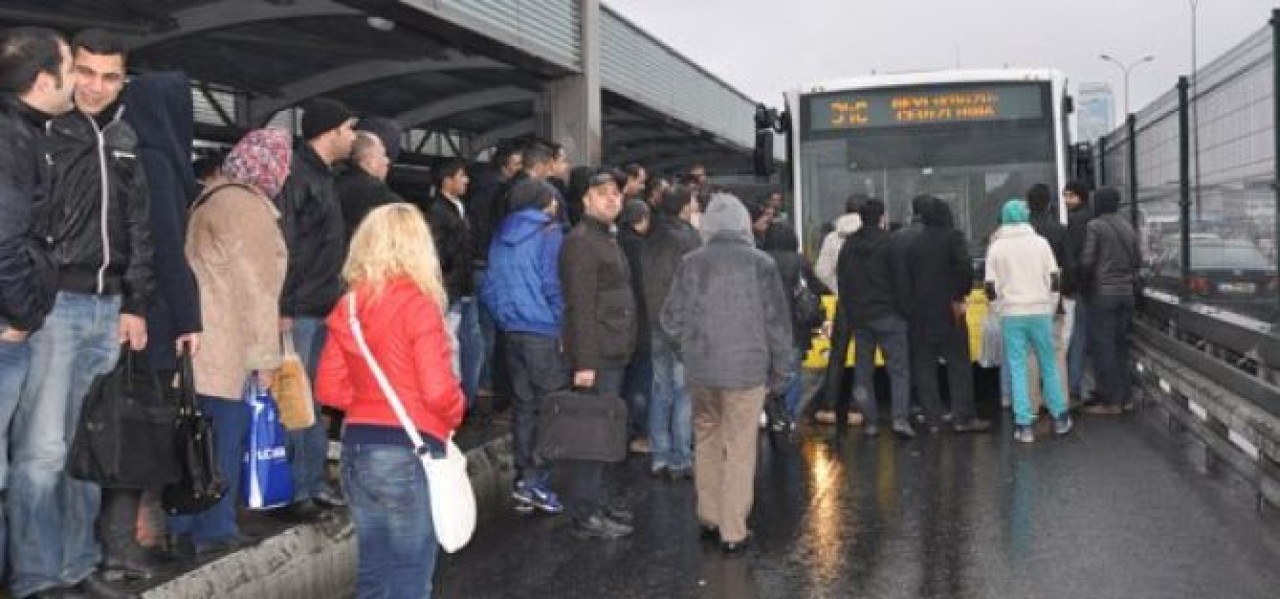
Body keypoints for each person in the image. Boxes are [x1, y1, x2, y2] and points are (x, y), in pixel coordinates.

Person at [8, 28, 155, 598]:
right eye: (86, 72)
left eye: (110, 75)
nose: (96, 86)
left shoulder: (124, 136)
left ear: (124, 80)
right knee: (41, 451)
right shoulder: (41, 130)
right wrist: (27, 299)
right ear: (68, 73)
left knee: (91, 446)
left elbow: (140, 229)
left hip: (108, 309)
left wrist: (135, 302)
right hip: (54, 309)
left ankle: (77, 563)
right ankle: (37, 576)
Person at [315, 203, 464, 599]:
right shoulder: (420, 306)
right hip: (409, 449)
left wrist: (369, 401)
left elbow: (328, 388)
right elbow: (437, 390)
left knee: (375, 573)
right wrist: (455, 410)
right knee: (409, 576)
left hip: (357, 446)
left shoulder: (346, 307)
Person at [169, 128, 291, 558]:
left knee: (193, 438)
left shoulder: (211, 198)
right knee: (221, 438)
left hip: (198, 341)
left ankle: (181, 526)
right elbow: (258, 288)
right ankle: (216, 531)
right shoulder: (247, 208)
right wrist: (265, 356)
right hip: (227, 344)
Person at [660, 194, 792, 554]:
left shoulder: (691, 263)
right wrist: (781, 370)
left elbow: (670, 320)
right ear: (743, 224)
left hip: (701, 370)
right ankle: (733, 530)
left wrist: (687, 351)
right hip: (746, 372)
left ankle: (709, 515)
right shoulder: (761, 264)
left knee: (705, 440)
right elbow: (776, 324)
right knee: (739, 446)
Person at [118, 69, 204, 578]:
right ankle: (131, 541)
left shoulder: (129, 151)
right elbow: (168, 248)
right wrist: (189, 318)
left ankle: (120, 540)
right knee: (142, 429)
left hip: (130, 309)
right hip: (153, 317)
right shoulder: (158, 161)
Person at [0, 25, 76, 596]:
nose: (77, 81)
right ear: (45, 80)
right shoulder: (12, 139)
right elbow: (5, 238)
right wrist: (22, 314)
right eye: (73, 69)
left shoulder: (24, 132)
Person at [277, 97, 357, 517]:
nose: (353, 136)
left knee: (315, 397)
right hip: (301, 308)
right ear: (329, 132)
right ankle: (296, 490)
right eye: (349, 128)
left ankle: (311, 482)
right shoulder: (297, 175)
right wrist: (284, 304)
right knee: (297, 398)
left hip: (322, 304)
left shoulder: (323, 176)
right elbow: (287, 245)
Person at [480, 179, 567, 516]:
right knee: (551, 408)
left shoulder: (500, 235)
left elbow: (488, 284)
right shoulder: (549, 233)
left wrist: (504, 316)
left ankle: (523, 480)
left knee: (524, 406)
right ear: (545, 202)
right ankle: (539, 482)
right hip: (543, 330)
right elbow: (551, 283)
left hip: (512, 329)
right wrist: (562, 322)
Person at [559, 167, 636, 540]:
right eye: (603, 192)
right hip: (598, 355)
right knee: (591, 435)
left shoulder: (606, 237)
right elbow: (581, 306)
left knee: (604, 432)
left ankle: (596, 502)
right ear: (586, 199)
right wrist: (585, 363)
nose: (612, 198)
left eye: (617, 193)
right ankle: (585, 512)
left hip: (612, 349)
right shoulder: (582, 241)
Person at [985, 199, 1073, 443]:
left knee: (1018, 367)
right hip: (1040, 311)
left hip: (1012, 314)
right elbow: (1054, 278)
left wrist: (998, 309)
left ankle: (1024, 424)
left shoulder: (997, 247)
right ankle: (1060, 417)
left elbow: (990, 287)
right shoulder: (1041, 243)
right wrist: (1050, 303)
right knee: (1048, 364)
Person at [903, 198, 990, 434]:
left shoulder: (913, 244)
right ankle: (963, 417)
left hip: (920, 314)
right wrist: (960, 295)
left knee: (924, 366)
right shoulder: (953, 238)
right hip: (949, 310)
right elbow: (964, 269)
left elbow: (906, 280)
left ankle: (933, 419)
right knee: (958, 364)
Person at [836, 200, 913, 438]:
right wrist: (903, 311)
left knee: (863, 370)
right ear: (882, 217)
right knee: (898, 369)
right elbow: (901, 280)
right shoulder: (890, 243)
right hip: (889, 315)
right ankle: (900, 419)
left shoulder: (849, 245)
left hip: (861, 317)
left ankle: (870, 421)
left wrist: (850, 311)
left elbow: (843, 281)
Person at [641, 185, 701, 478]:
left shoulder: (650, 236)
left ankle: (660, 455)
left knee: (660, 390)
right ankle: (682, 457)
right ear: (683, 208)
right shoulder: (688, 238)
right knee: (684, 392)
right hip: (681, 326)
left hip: (654, 323)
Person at [428, 158, 484, 416]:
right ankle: (457, 403)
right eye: (461, 175)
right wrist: (449, 282)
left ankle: (465, 399)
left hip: (463, 289)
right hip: (452, 290)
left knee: (469, 344)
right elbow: (439, 254)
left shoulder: (459, 208)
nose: (467, 180)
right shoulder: (437, 213)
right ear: (446, 180)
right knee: (453, 347)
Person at [1080, 187, 1142, 415]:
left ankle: (1109, 401)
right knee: (1120, 346)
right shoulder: (1128, 226)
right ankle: (1125, 397)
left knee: (1103, 347)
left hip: (1103, 294)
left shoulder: (1095, 226)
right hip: (1126, 294)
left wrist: (1084, 287)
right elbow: (1137, 260)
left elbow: (1087, 260)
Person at [763, 225, 822, 429]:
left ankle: (769, 411)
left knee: (767, 370)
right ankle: (789, 413)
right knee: (793, 371)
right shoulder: (799, 261)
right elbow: (816, 286)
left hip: (766, 325)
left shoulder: (760, 260)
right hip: (794, 325)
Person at [1025, 183, 1075, 416]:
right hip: (1053, 298)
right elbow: (1070, 265)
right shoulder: (1060, 231)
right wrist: (1066, 293)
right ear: (1048, 204)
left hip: (1026, 299)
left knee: (1031, 352)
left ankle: (1032, 402)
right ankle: (1058, 401)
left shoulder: (1022, 233)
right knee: (1056, 350)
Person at [813, 196, 862, 426]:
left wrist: (838, 288)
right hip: (868, 304)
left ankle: (829, 407)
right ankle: (857, 408)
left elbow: (822, 270)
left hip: (844, 303)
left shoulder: (833, 238)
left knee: (837, 354)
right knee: (864, 354)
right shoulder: (872, 237)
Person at [617, 199, 652, 453]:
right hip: (641, 323)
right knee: (641, 381)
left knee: (626, 379)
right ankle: (639, 431)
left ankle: (624, 430)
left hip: (619, 322)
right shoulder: (641, 248)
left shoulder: (615, 243)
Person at [336, 130, 401, 241]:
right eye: (383, 154)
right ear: (370, 159)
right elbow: (406, 218)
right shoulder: (375, 191)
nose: (387, 161)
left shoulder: (335, 183)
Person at [1062, 180, 1092, 405]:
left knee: (1078, 337)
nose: (1066, 200)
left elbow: (1073, 258)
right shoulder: (1092, 218)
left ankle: (1072, 385)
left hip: (1082, 288)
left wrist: (1070, 287)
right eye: (1065, 195)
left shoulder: (1076, 222)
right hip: (1095, 287)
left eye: (1071, 196)